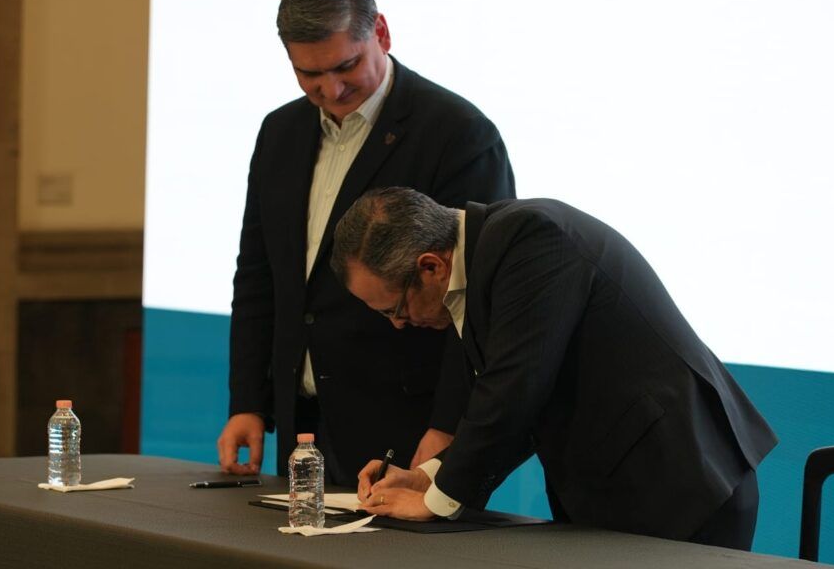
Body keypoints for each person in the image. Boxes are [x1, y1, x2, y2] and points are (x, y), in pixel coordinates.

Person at [330, 187, 778, 550]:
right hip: (623, 490)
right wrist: (426, 476)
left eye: (394, 309)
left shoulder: (529, 237)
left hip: (679, 482)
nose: (399, 325)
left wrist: (437, 500)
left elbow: (514, 391)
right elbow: (523, 403)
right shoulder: (490, 257)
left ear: (430, 266)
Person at [217, 0, 516, 486]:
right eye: (308, 73)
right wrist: (249, 400)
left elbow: (479, 296)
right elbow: (259, 273)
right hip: (303, 419)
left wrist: (449, 425)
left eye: (346, 66)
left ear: (381, 32)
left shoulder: (459, 134)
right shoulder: (280, 132)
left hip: (408, 423)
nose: (330, 89)